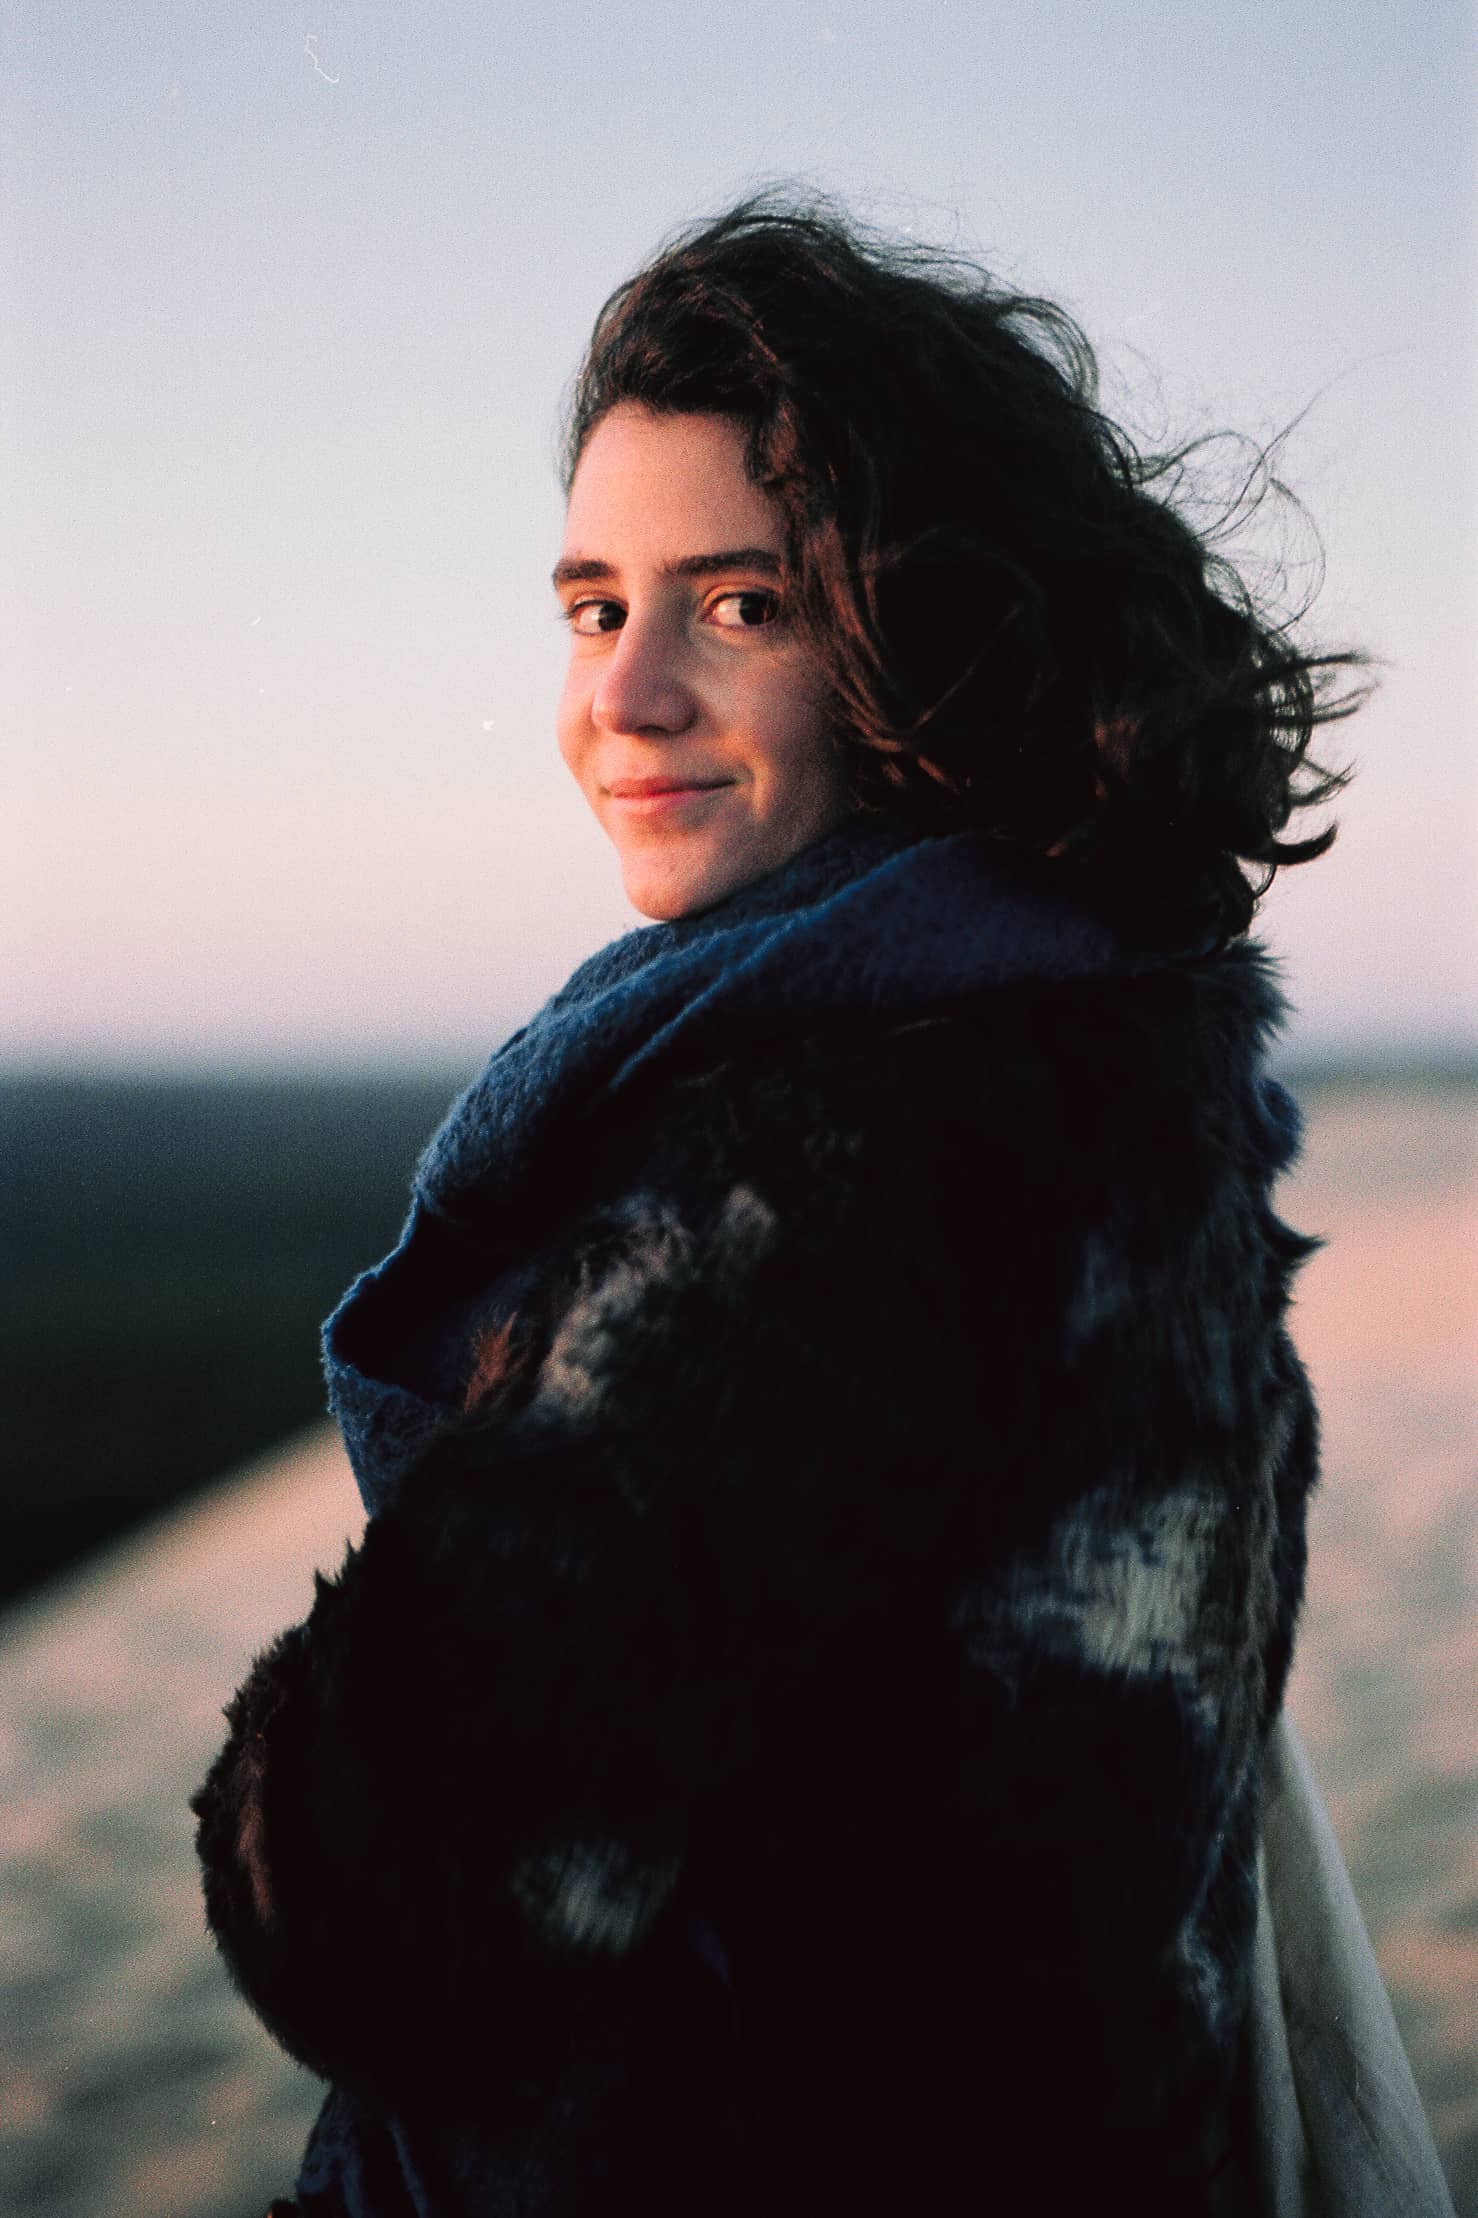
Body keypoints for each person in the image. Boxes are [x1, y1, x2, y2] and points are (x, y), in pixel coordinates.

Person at [193, 194, 1370, 2216]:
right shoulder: (1121, 1071)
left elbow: (388, 1918)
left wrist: (303, 1757)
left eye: (738, 606)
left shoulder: (831, 1174)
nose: (623, 696)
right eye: (591, 605)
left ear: (934, 635)